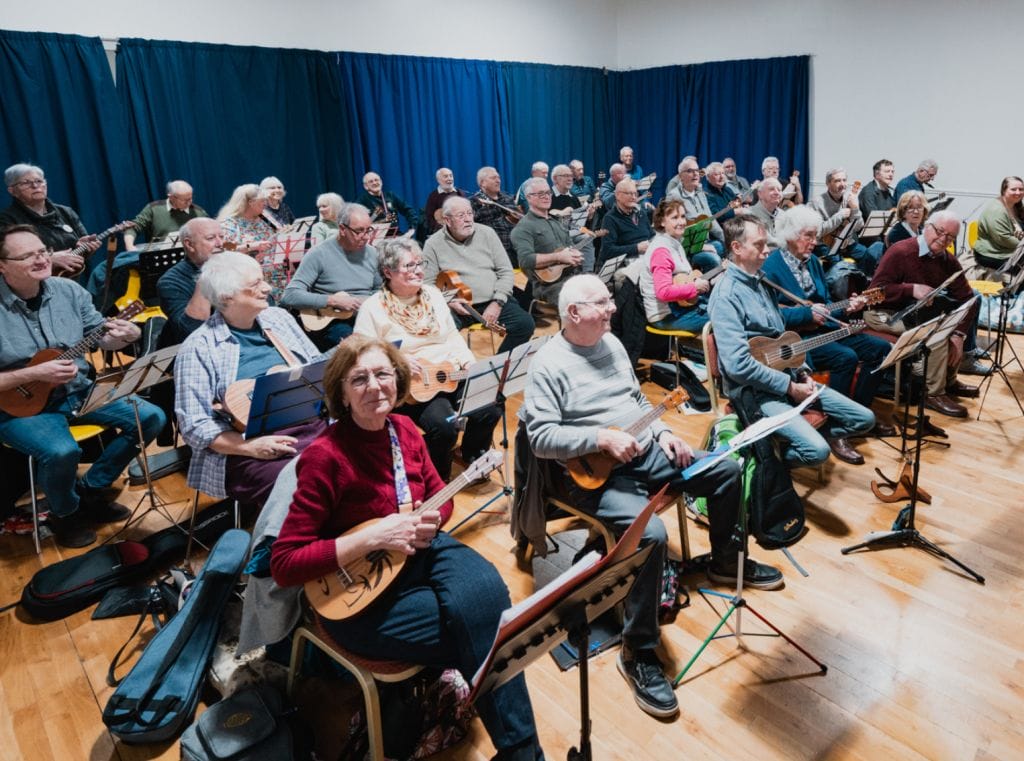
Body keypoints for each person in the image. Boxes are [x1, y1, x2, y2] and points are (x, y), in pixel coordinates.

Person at [269, 335, 545, 761]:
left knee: (490, 591)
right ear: (341, 393)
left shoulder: (404, 431)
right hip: (355, 594)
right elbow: (285, 564)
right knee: (489, 635)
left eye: (382, 374)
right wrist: (372, 537)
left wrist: (432, 519)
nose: (375, 386)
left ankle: (520, 752)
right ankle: (524, 753)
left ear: (398, 381)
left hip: (419, 552)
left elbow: (442, 495)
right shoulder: (325, 457)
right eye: (359, 379)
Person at [521, 273, 781, 718]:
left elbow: (638, 401)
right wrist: (598, 438)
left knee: (725, 470)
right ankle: (638, 654)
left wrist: (663, 432)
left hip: (642, 451)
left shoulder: (613, 343)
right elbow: (541, 437)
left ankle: (724, 562)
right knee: (651, 535)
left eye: (609, 301)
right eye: (602, 303)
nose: (612, 308)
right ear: (573, 314)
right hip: (589, 475)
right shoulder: (548, 364)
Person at [0, 224, 165, 547]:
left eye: (43, 251)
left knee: (151, 418)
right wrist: (33, 375)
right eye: (27, 256)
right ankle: (67, 512)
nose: (41, 259)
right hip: (18, 406)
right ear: (2, 265)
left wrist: (124, 337)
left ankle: (91, 489)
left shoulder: (69, 292)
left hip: (78, 388)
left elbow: (101, 336)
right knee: (62, 451)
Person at [708, 217, 875, 467]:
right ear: (736, 248)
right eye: (759, 244)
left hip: (789, 377)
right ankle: (768, 467)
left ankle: (776, 453)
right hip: (756, 392)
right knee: (818, 452)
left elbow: (783, 341)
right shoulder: (725, 296)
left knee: (865, 419)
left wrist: (804, 373)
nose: (767, 250)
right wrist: (789, 387)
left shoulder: (762, 283)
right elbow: (737, 365)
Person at [175, 251, 326, 507]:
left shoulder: (279, 319)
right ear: (226, 297)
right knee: (309, 488)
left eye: (263, 279)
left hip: (314, 425)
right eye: (255, 284)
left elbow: (317, 369)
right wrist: (250, 447)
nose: (267, 287)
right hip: (250, 448)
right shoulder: (198, 348)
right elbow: (194, 425)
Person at [354, 238, 501, 480]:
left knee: (490, 406)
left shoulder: (432, 294)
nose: (419, 271)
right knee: (444, 427)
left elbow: (452, 336)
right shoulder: (373, 307)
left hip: (452, 371)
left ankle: (472, 453)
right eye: (409, 266)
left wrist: (468, 362)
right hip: (415, 386)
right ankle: (435, 479)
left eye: (420, 264)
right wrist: (395, 361)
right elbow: (362, 352)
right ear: (387, 272)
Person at [761, 206, 894, 437]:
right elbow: (768, 316)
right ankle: (832, 426)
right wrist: (806, 315)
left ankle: (859, 412)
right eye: (809, 236)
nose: (815, 241)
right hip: (797, 337)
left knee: (881, 349)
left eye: (816, 235)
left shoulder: (813, 262)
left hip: (824, 328)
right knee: (846, 357)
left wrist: (848, 307)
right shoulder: (771, 267)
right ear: (791, 236)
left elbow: (826, 303)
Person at [865, 211, 981, 419]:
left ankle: (948, 380)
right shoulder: (900, 251)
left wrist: (959, 335)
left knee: (948, 325)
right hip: (883, 312)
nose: (943, 239)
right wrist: (911, 289)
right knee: (933, 332)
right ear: (927, 227)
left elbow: (968, 299)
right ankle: (933, 393)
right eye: (940, 232)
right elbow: (875, 292)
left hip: (916, 314)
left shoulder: (948, 260)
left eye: (950, 237)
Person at [422, 196, 534, 354]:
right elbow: (428, 284)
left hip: (493, 301)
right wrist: (449, 300)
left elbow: (505, 271)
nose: (468, 219)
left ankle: (499, 366)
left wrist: (497, 302)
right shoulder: (433, 244)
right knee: (440, 334)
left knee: (525, 324)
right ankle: (460, 374)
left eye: (470, 213)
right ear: (447, 220)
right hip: (457, 306)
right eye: (461, 216)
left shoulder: (487, 233)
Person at [281, 203, 381, 351]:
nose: (366, 237)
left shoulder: (372, 253)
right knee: (360, 349)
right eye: (359, 231)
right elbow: (289, 296)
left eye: (369, 230)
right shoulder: (319, 254)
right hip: (331, 322)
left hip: (363, 316)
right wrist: (333, 300)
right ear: (342, 229)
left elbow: (379, 290)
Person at [0, 163, 100, 276]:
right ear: (12, 191)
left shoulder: (66, 212)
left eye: (39, 181)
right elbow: (9, 259)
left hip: (70, 281)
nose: (35, 186)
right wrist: (49, 259)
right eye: (26, 183)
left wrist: (83, 248)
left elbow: (81, 255)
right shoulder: (6, 220)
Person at [638, 199, 711, 333]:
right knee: (724, 318)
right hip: (666, 316)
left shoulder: (674, 242)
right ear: (662, 222)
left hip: (681, 309)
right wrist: (694, 287)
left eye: (683, 216)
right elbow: (664, 292)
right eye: (674, 218)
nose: (681, 222)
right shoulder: (661, 250)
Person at [511, 177, 584, 306]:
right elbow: (526, 261)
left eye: (548, 192)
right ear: (528, 198)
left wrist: (575, 255)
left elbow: (570, 247)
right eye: (540, 194)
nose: (546, 197)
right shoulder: (523, 228)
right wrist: (558, 257)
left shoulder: (557, 222)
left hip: (572, 277)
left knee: (600, 293)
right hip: (549, 287)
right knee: (583, 303)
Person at [157, 217, 225, 345]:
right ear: (189, 244)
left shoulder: (232, 266)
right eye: (211, 238)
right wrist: (207, 273)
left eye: (221, 237)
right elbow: (191, 330)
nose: (220, 243)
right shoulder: (170, 282)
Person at [809, 168, 883, 275]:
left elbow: (859, 227)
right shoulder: (816, 203)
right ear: (828, 183)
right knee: (838, 263)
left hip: (847, 243)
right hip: (825, 244)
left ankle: (859, 281)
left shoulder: (850, 198)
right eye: (837, 181)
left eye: (844, 180)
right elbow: (818, 232)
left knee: (869, 256)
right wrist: (839, 216)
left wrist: (855, 210)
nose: (842, 184)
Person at [216, 183, 284, 300]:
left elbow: (277, 237)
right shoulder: (230, 223)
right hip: (249, 278)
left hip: (275, 274)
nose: (265, 204)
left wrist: (284, 233)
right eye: (262, 201)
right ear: (250, 202)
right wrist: (252, 246)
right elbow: (225, 249)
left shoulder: (264, 217)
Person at [666, 156, 725, 258]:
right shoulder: (674, 196)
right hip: (687, 247)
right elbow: (672, 231)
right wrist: (699, 247)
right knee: (713, 259)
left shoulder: (700, 193)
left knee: (725, 246)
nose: (695, 174)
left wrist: (725, 238)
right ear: (680, 176)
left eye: (697, 170)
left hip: (706, 242)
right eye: (690, 171)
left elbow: (710, 218)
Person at [124, 180, 207, 250]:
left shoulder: (198, 212)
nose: (189, 202)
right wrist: (130, 246)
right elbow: (133, 227)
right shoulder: (154, 208)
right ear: (171, 197)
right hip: (161, 255)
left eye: (190, 198)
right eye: (185, 200)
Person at [470, 166, 522, 266]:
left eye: (498, 178)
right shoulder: (474, 202)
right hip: (493, 252)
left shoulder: (508, 198)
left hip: (516, 247)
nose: (498, 181)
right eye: (493, 178)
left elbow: (518, 218)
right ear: (482, 183)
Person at [973, 176, 1024, 270]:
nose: (1018, 192)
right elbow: (1004, 239)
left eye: (1021, 189)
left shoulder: (1016, 205)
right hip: (994, 254)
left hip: (1013, 249)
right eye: (1013, 189)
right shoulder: (996, 210)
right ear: (1004, 191)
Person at [355, 172, 420, 235]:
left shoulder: (390, 196)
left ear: (381, 182)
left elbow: (409, 211)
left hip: (395, 235)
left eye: (376, 180)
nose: (375, 183)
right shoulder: (361, 201)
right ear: (365, 186)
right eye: (371, 181)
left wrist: (412, 229)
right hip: (374, 238)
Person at [745, 178, 786, 250]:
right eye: (771, 189)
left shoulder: (784, 215)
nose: (777, 192)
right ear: (760, 194)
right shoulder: (749, 214)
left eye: (779, 190)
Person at [423, 167, 465, 235]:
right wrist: (443, 229)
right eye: (445, 176)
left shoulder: (460, 193)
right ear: (438, 180)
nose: (449, 178)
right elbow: (429, 218)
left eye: (451, 176)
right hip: (443, 232)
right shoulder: (433, 196)